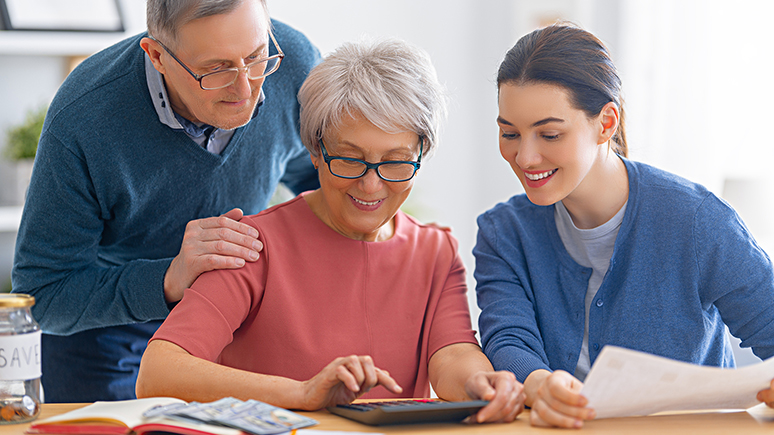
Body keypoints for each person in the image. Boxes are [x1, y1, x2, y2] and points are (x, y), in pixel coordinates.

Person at [136, 38, 525, 423]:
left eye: (396, 162)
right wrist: (301, 394)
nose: (371, 186)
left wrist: (481, 383)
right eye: (350, 159)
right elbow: (159, 372)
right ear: (316, 151)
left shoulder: (434, 250)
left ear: (422, 153)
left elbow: (452, 354)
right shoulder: (254, 245)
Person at [11, 0, 320, 402]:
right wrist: (168, 279)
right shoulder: (84, 117)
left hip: (233, 325)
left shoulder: (294, 62)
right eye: (215, 69)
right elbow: (45, 292)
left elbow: (315, 173)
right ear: (157, 56)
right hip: (105, 344)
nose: (246, 88)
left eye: (256, 58)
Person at [474, 23, 774, 429]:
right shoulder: (503, 233)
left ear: (606, 122)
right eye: (509, 133)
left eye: (549, 133)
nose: (525, 157)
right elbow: (508, 338)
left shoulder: (696, 220)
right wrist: (540, 385)